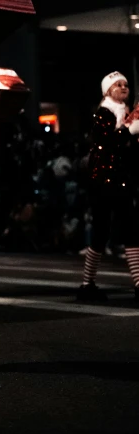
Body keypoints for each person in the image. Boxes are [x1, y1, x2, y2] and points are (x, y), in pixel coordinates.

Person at [76, 71, 139, 303]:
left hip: (121, 179)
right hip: (103, 181)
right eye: (118, 85)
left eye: (126, 85)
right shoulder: (104, 113)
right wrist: (128, 131)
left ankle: (91, 284)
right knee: (103, 232)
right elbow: (105, 144)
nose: (124, 88)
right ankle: (87, 283)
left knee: (129, 230)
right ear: (107, 90)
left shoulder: (126, 112)